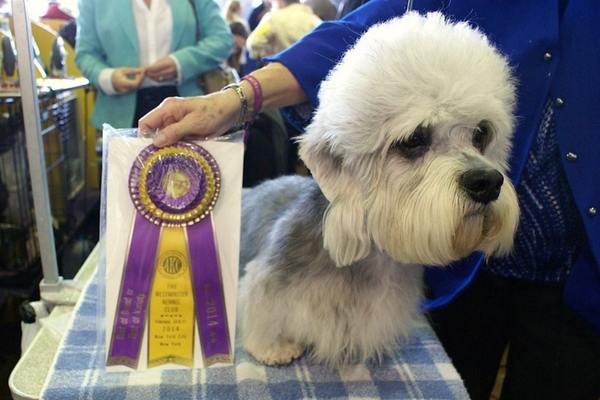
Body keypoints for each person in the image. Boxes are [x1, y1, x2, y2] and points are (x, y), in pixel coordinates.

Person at [139, 1, 600, 399]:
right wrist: (239, 98)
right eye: (414, 141)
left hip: (583, 270)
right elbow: (355, 30)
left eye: (481, 138)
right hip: (455, 269)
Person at [75, 0, 232, 129]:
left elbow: (222, 39)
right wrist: (108, 78)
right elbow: (85, 53)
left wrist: (181, 62)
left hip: (186, 105)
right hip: (120, 114)